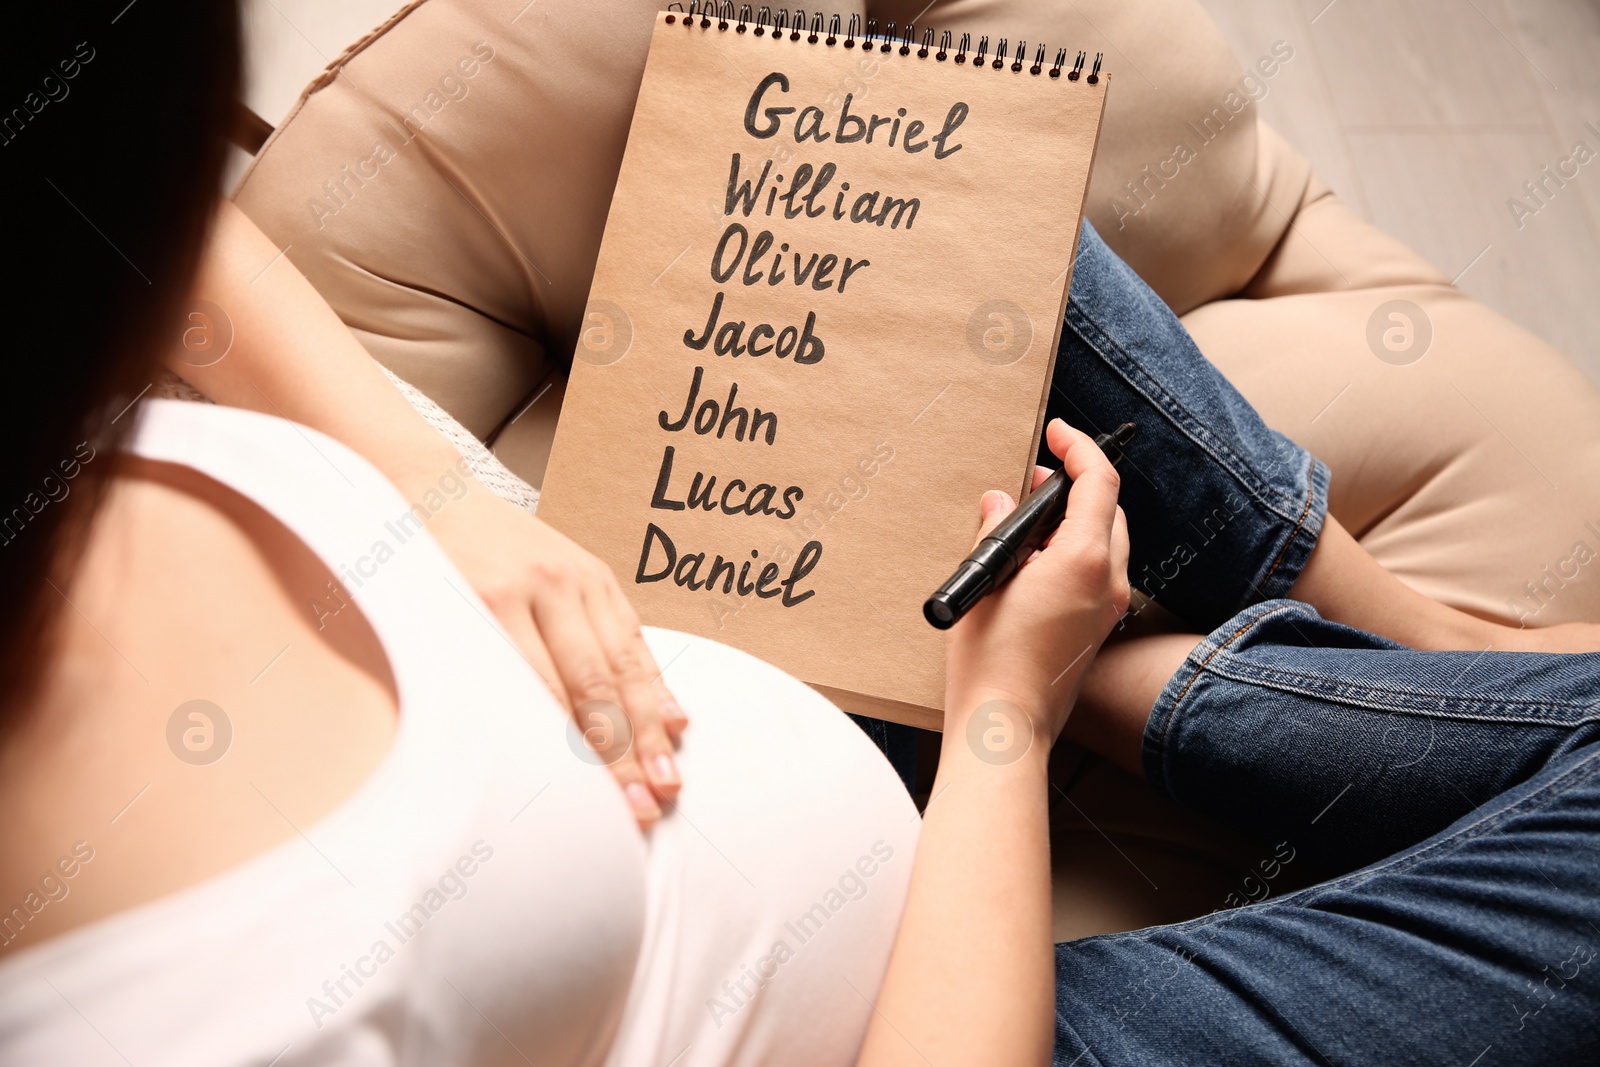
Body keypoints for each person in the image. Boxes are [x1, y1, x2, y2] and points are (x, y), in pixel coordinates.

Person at [2, 6, 1596, 1067]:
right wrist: (996, 721)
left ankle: (1363, 642)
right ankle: (1152, 691)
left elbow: (97, 193)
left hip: (742, 643)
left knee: (867, 134)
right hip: (947, 1011)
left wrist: (444, 523)